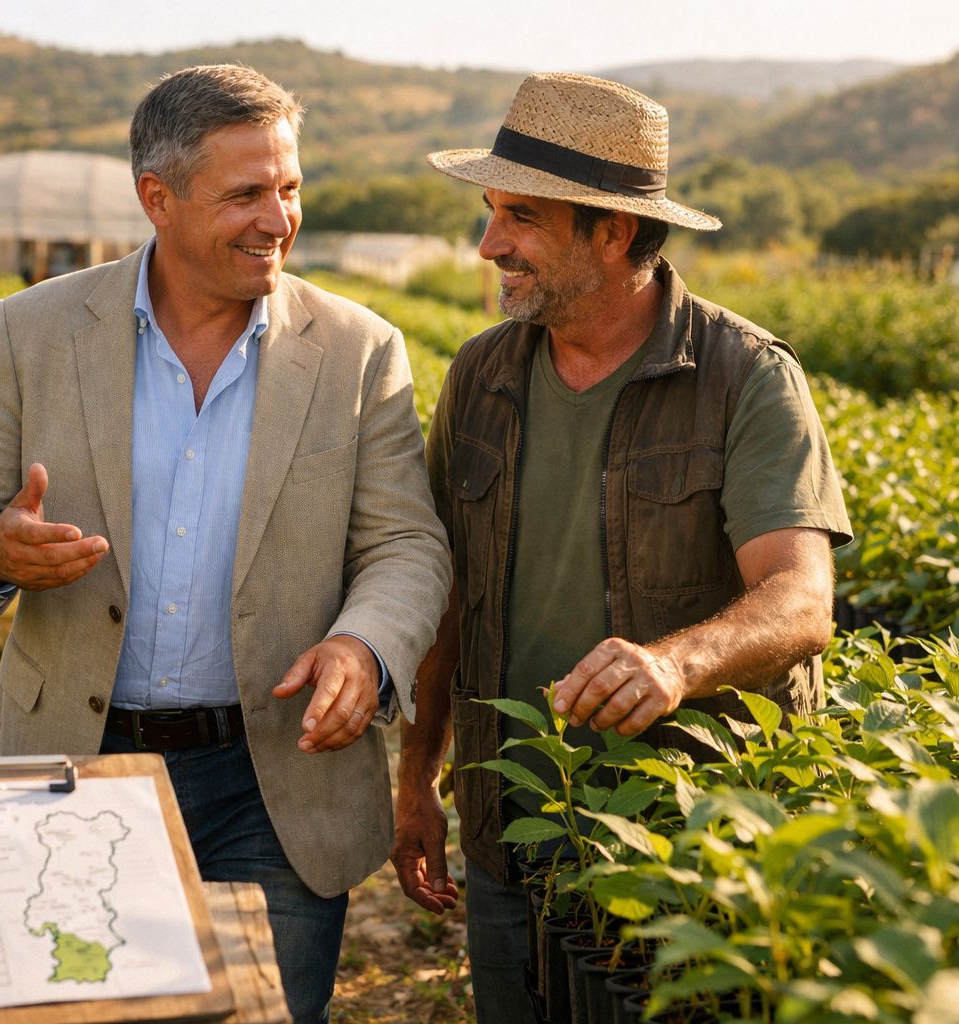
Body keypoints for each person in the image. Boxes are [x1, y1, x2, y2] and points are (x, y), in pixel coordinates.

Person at [0, 64, 451, 1024]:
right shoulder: (32, 331)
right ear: (156, 199)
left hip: (272, 774)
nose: (276, 219)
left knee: (266, 1012)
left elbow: (407, 544)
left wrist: (363, 646)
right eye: (244, 193)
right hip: (77, 760)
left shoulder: (359, 350)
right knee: (80, 1007)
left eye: (288, 188)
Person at [391, 72, 852, 1022]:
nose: (489, 245)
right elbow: (446, 590)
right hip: (506, 816)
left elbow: (802, 600)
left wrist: (673, 664)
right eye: (490, 212)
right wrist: (416, 775)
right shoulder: (482, 372)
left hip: (674, 844)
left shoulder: (743, 378)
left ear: (613, 231)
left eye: (520, 217)